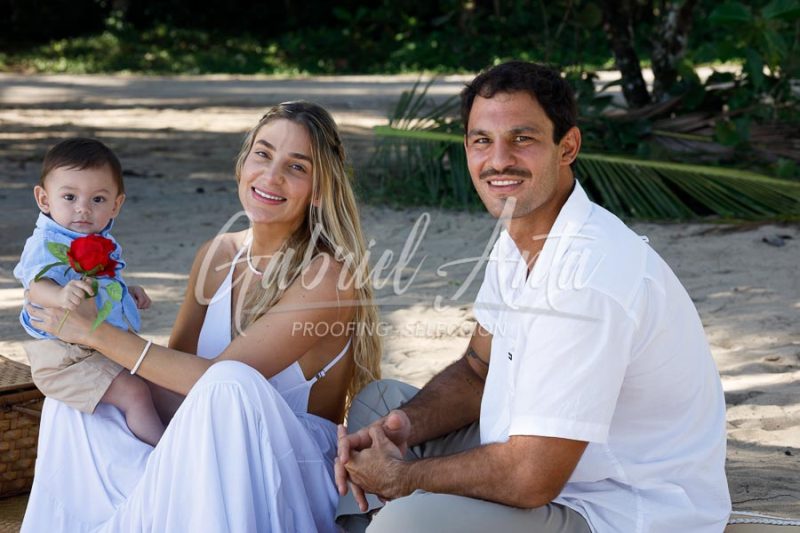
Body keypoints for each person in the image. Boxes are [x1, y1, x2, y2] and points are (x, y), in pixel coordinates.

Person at [336, 61, 731, 533]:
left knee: (410, 521)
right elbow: (478, 371)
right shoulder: (520, 238)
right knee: (379, 410)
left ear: (568, 147)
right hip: (537, 460)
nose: (499, 159)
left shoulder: (588, 277)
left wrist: (404, 479)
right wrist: (408, 426)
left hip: (615, 506)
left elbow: (531, 477)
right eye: (482, 140)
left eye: (521, 139)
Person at [23, 101, 382, 533]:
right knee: (82, 400)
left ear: (320, 189)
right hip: (209, 451)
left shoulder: (329, 277)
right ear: (243, 163)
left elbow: (213, 382)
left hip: (290, 471)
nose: (271, 176)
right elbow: (172, 378)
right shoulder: (217, 255)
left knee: (228, 382)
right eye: (263, 154)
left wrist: (94, 332)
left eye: (297, 167)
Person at [14, 137, 163, 446]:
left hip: (96, 345)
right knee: (135, 393)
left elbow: (102, 282)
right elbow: (36, 287)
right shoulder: (46, 243)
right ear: (44, 199)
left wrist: (125, 291)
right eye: (69, 197)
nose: (82, 209)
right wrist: (58, 296)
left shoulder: (100, 240)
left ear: (116, 204)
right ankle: (162, 457)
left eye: (97, 200)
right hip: (65, 358)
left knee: (153, 377)